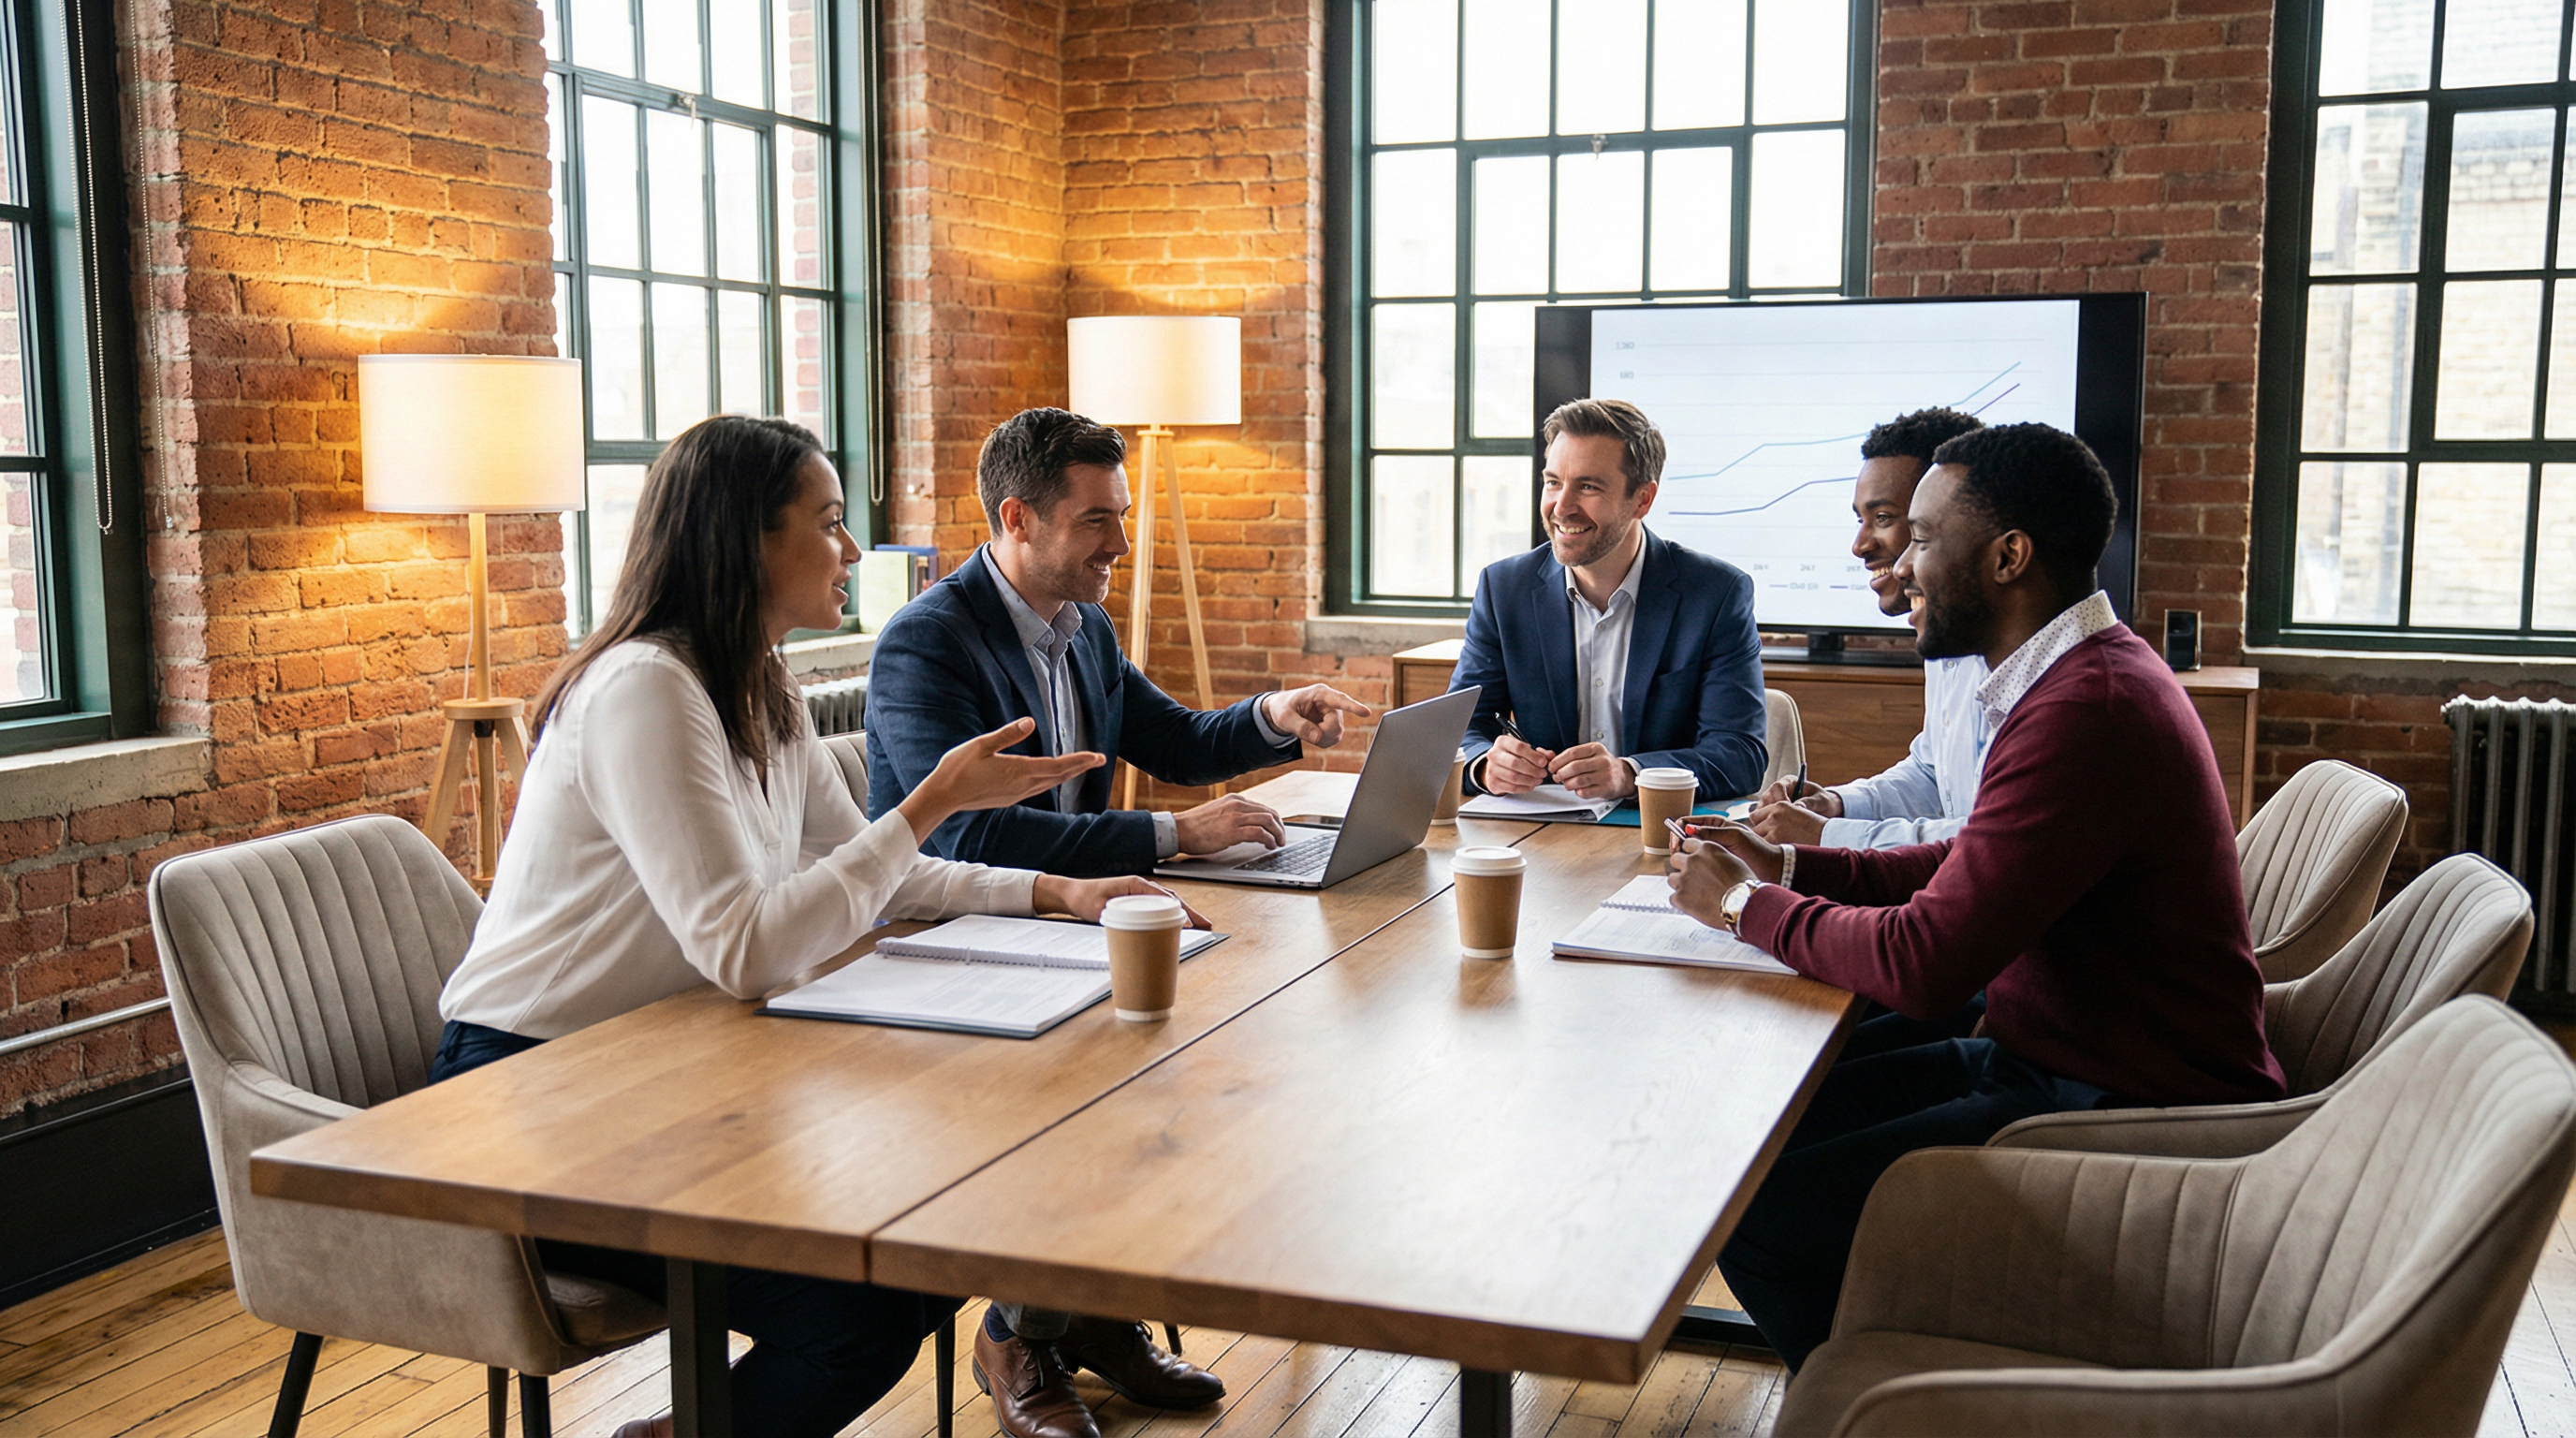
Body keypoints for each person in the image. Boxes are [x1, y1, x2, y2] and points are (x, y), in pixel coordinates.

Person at [432, 416, 1191, 1438]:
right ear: (746, 540)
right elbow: (745, 950)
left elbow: (880, 875)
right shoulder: (644, 691)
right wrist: (924, 801)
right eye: (829, 524)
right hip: (531, 1089)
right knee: (860, 1314)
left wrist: (1054, 895)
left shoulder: (757, 682)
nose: (851, 550)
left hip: (669, 1066)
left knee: (930, 1260)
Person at [1665, 422, 2283, 1372]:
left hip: (2113, 1105)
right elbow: (1965, 866)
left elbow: (1925, 961)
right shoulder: (2070, 681)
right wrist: (1782, 867)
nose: (1901, 565)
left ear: (2006, 557)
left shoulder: (2090, 710)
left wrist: (1742, 908)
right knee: (1756, 1142)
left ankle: (1902, 1403)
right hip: (2049, 1055)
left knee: (1755, 1211)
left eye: (1920, 536)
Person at [866, 408, 1370, 882]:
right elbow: (971, 837)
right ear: (1018, 518)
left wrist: (1275, 712)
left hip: (1070, 908)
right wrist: (1176, 833)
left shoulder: (1085, 623)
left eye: (1122, 516)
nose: (1120, 544)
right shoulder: (926, 643)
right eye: (1094, 520)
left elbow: (1176, 743)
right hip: (949, 933)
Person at [1450, 398, 1766, 802]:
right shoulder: (1504, 589)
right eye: (1552, 482)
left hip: (1660, 835)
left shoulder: (1716, 594)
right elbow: (1461, 730)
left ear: (1642, 500)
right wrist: (1484, 765)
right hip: (1543, 837)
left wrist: (1629, 775)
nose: (1561, 507)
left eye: (1588, 486)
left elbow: (1740, 754)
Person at [1748, 407, 1991, 850]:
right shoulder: (1948, 637)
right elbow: (1931, 774)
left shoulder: (2042, 675)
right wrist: (1838, 805)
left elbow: (1988, 840)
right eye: (1859, 519)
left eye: (1884, 519)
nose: (1859, 545)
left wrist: (1828, 836)